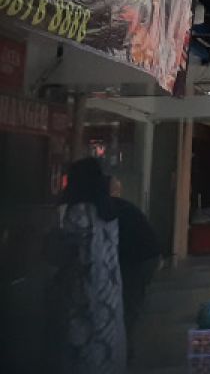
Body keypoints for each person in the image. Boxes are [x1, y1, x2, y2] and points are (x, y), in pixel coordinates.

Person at [52, 158, 126, 373]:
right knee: (107, 343)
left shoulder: (79, 213)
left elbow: (61, 252)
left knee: (84, 348)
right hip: (108, 290)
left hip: (84, 290)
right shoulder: (108, 212)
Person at [109, 177, 160, 362]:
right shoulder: (122, 207)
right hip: (146, 256)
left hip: (139, 259)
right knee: (131, 301)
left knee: (129, 303)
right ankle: (124, 347)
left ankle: (124, 349)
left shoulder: (107, 209)